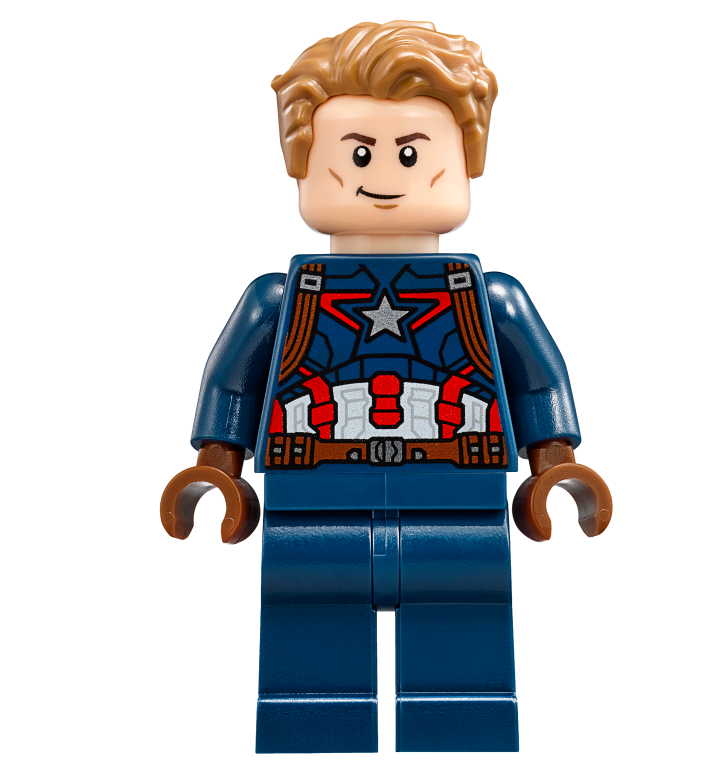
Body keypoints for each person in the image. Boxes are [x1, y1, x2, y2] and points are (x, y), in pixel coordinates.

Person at [160, 20, 611, 753]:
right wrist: (218, 466)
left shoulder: (489, 297)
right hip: (312, 500)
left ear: (466, 160)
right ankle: (314, 727)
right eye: (359, 153)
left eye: (411, 152)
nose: (386, 175)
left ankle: (460, 727)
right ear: (301, 165)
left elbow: (539, 382)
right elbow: (232, 383)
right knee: (307, 630)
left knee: (465, 628)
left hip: (459, 497)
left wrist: (554, 464)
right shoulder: (281, 298)